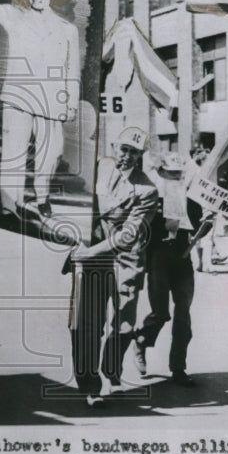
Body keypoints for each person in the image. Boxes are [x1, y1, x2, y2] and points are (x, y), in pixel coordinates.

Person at [0, 0, 81, 218]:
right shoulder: (15, 16)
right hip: (19, 97)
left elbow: (72, 69)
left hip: (50, 100)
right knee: (14, 153)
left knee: (51, 153)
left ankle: (42, 197)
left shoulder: (67, 30)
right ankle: (10, 206)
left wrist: (71, 102)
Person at [69, 127, 159, 404]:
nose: (127, 157)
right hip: (92, 258)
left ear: (141, 156)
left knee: (123, 326)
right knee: (86, 323)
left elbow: (129, 234)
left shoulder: (147, 190)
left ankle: (112, 369)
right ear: (113, 146)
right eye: (124, 149)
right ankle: (89, 385)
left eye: (134, 152)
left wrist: (90, 251)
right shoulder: (98, 167)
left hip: (125, 259)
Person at [133, 152, 199, 386]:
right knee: (160, 312)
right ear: (160, 173)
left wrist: (206, 222)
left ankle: (178, 367)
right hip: (159, 256)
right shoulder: (153, 197)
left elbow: (200, 223)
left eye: (178, 174)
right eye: (169, 173)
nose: (174, 178)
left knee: (184, 313)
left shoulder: (190, 198)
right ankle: (141, 339)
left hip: (182, 255)